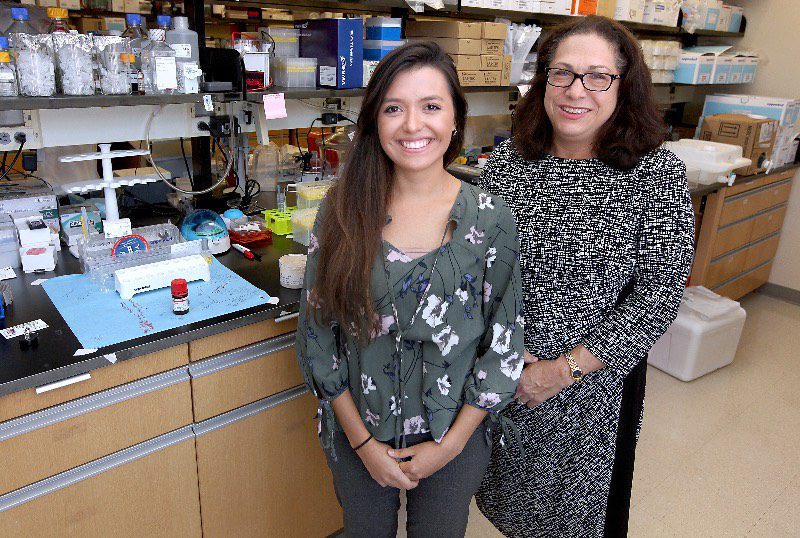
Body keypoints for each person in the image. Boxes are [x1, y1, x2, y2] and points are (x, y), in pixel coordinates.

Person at [475, 16, 695, 538]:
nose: (577, 91)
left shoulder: (655, 175)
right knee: (510, 503)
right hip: (506, 371)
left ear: (624, 86)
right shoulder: (509, 162)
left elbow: (657, 298)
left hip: (590, 387)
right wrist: (502, 353)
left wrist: (560, 370)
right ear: (543, 80)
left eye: (597, 76)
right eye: (562, 74)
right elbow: (480, 265)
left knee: (577, 519)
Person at [295, 41, 523, 538]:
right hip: (358, 429)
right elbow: (317, 335)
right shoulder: (342, 210)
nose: (413, 125)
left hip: (454, 434)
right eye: (394, 108)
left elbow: (502, 345)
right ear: (374, 122)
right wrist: (362, 445)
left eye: (431, 107)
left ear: (455, 119)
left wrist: (452, 443)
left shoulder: (490, 217)